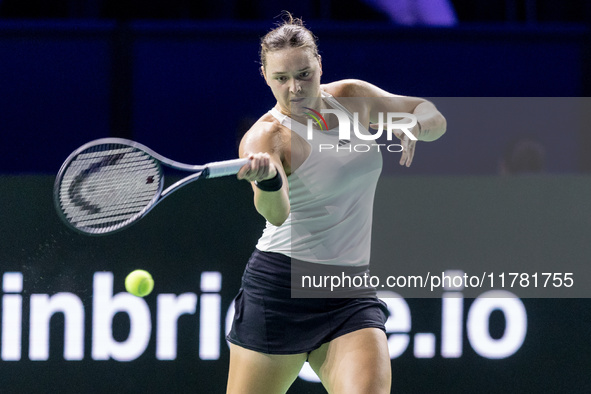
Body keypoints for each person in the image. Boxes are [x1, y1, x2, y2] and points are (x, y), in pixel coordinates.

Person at [228, 13, 446, 394]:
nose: (294, 88)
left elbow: (431, 114)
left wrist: (415, 126)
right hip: (281, 291)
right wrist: (267, 179)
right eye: (281, 78)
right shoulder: (266, 137)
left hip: (349, 290)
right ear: (265, 77)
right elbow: (276, 214)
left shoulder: (351, 99)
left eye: (304, 74)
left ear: (319, 65)